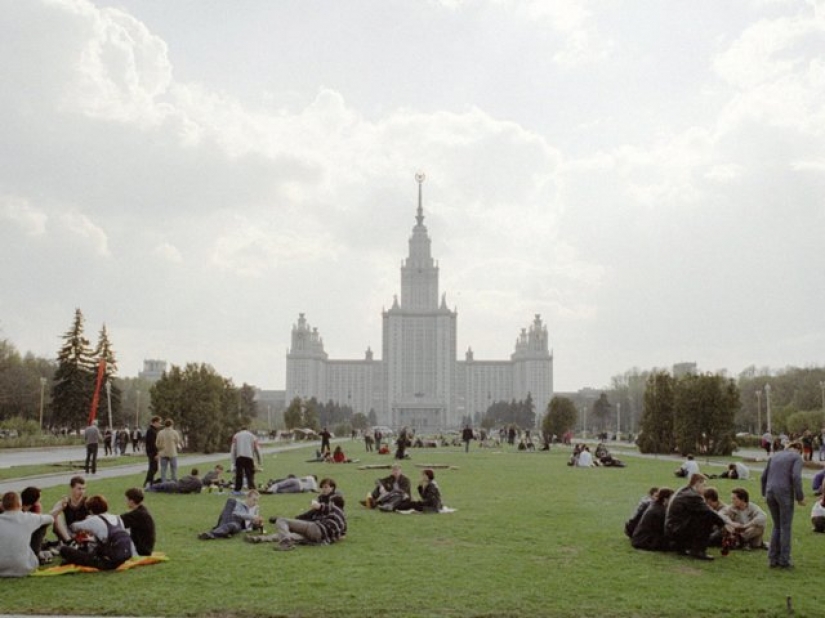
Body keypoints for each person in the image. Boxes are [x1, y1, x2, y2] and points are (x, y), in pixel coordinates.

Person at [58, 494, 135, 570]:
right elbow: (107, 539)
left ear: (91, 511)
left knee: (64, 550)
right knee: (90, 545)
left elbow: (73, 527)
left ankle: (72, 559)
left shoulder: (95, 520)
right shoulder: (117, 518)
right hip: (125, 556)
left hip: (108, 562)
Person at [761, 441, 805, 569]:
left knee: (777, 525)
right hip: (784, 493)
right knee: (785, 526)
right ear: (799, 449)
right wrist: (800, 497)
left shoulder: (774, 456)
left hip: (770, 491)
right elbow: (796, 477)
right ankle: (784, 560)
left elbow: (763, 476)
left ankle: (772, 559)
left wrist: (764, 493)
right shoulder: (796, 458)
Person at [665, 473, 728, 560]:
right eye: (704, 485)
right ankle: (698, 551)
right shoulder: (692, 496)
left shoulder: (684, 490)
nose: (705, 488)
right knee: (707, 517)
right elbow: (708, 511)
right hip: (676, 530)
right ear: (697, 483)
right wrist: (723, 525)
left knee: (701, 515)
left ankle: (683, 548)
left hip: (672, 527)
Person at [0, 491, 61, 577]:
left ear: (2, 506)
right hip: (25, 568)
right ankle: (37, 553)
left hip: (1, 569)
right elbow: (50, 519)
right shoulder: (28, 518)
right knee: (42, 525)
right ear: (19, 504)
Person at [198, 490, 262, 540]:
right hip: (231, 518)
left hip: (238, 524)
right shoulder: (239, 503)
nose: (255, 502)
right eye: (254, 500)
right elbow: (236, 513)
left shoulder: (256, 508)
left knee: (232, 525)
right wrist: (252, 517)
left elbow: (253, 525)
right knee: (231, 500)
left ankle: (212, 533)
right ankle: (220, 532)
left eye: (257, 500)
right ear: (248, 497)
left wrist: (257, 523)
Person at [51, 476, 88, 544]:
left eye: (84, 489)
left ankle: (70, 543)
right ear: (71, 488)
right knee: (57, 517)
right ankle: (70, 543)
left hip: (83, 533)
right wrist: (61, 508)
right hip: (68, 533)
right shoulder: (65, 501)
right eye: (79, 489)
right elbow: (50, 517)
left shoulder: (88, 502)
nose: (82, 492)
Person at [120, 488, 155, 556]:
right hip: (146, 548)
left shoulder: (138, 514)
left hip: (141, 550)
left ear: (132, 501)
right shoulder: (142, 511)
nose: (126, 501)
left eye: (127, 499)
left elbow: (116, 521)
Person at [231, 425, 262, 493]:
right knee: (250, 475)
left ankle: (237, 489)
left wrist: (233, 461)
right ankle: (252, 489)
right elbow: (257, 449)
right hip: (249, 457)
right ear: (247, 429)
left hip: (239, 456)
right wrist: (260, 461)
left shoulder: (236, 436)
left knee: (239, 474)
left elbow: (233, 449)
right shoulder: (252, 436)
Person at [156, 418, 183, 483]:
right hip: (172, 453)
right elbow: (177, 441)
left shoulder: (160, 432)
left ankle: (163, 482)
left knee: (163, 469)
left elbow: (157, 443)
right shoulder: (174, 432)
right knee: (173, 469)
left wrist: (160, 448)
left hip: (163, 453)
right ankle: (174, 481)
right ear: (172, 425)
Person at [143, 416, 162, 488]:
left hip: (151, 452)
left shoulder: (153, 430)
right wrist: (156, 453)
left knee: (154, 468)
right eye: (159, 423)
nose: (159, 424)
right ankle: (148, 482)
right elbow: (153, 443)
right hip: (152, 452)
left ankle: (150, 482)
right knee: (153, 468)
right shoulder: (151, 431)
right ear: (155, 422)